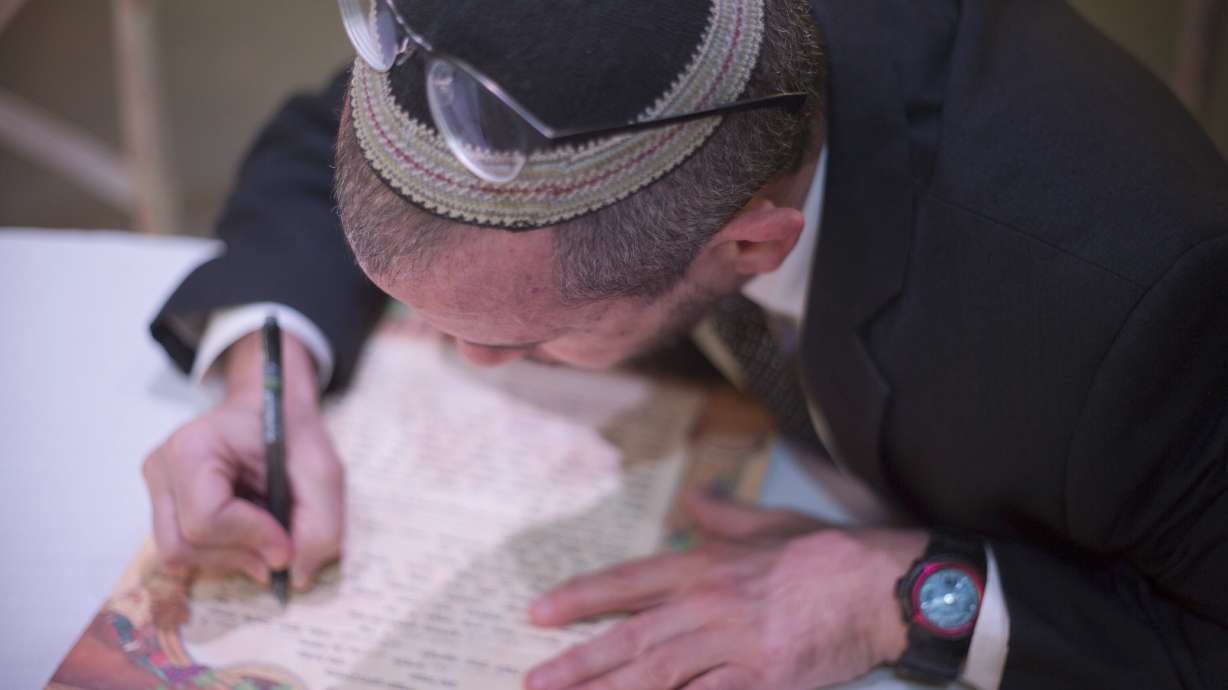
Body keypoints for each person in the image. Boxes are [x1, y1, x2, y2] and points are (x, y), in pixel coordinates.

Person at [141, 1, 1228, 688]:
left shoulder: (1129, 309)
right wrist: (262, 372)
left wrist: (907, 590)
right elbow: (322, 134)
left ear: (751, 243)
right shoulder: (551, 55)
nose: (458, 356)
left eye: (522, 339)